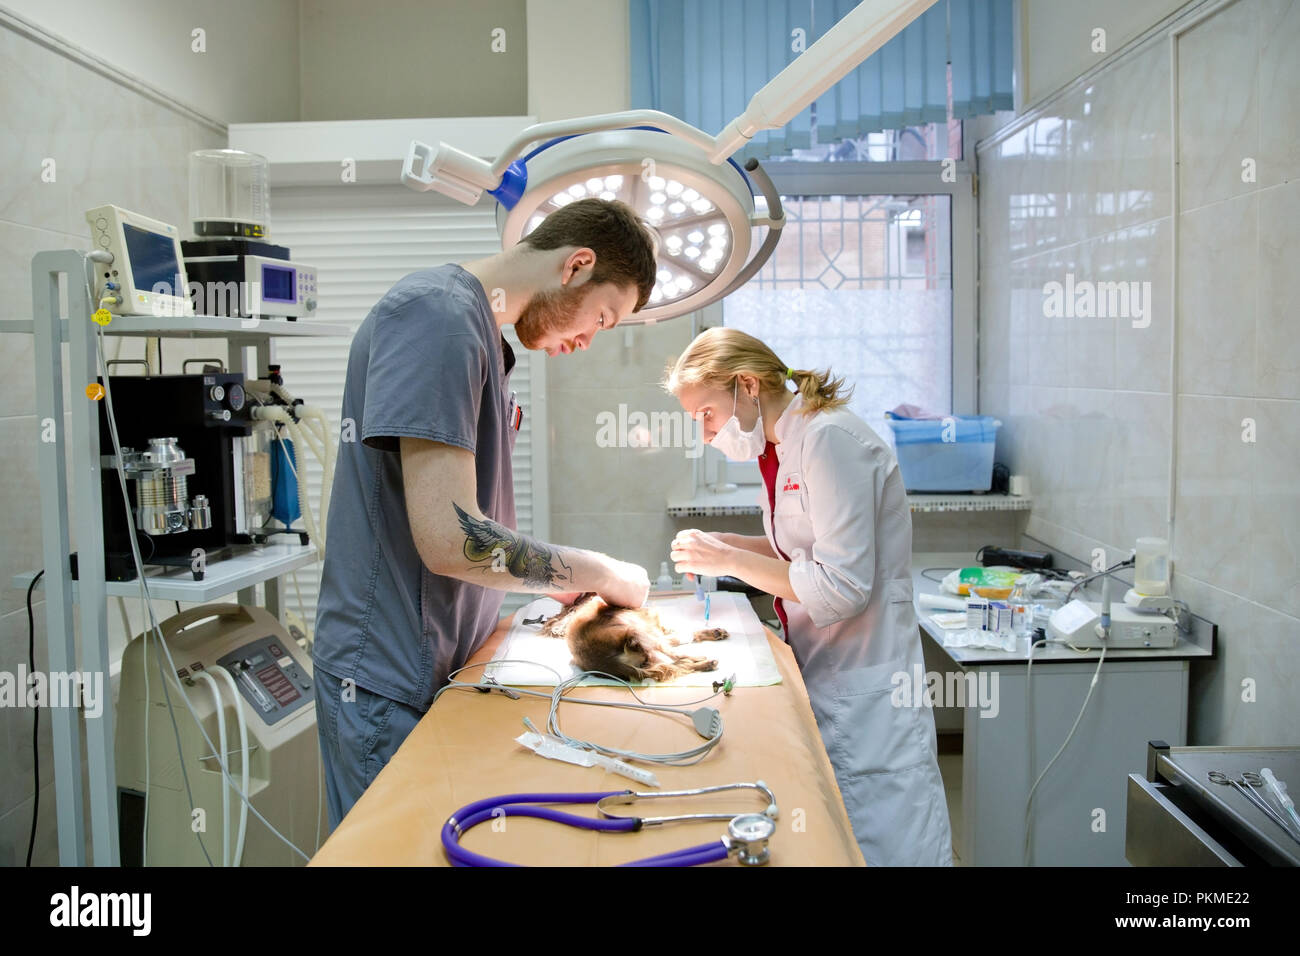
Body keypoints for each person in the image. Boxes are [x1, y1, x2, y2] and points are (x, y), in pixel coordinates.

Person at [312, 198, 656, 830]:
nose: (585, 342)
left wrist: (561, 583)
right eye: (602, 319)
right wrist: (598, 570)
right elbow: (452, 539)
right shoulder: (436, 317)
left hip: (442, 666)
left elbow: (472, 524)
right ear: (577, 265)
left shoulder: (481, 342)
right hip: (386, 682)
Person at [664, 327, 953, 866]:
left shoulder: (830, 440)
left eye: (705, 413)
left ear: (746, 385)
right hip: (825, 667)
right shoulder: (783, 447)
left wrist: (729, 562)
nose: (704, 434)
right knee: (837, 832)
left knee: (886, 838)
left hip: (868, 686)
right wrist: (729, 544)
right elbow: (801, 552)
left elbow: (840, 586)